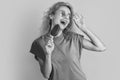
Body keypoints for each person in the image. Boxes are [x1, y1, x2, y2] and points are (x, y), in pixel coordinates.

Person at [30, 2, 106, 80]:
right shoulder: (39, 43)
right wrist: (48, 54)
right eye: (62, 14)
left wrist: (84, 28)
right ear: (51, 16)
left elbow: (100, 47)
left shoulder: (73, 38)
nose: (66, 17)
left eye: (68, 16)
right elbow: (46, 75)